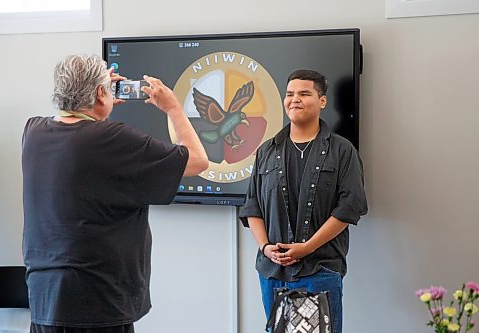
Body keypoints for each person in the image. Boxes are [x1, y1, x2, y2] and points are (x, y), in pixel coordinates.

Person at [22, 54, 208, 333]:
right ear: (100, 92)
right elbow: (197, 160)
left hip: (45, 301)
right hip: (97, 303)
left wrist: (97, 99)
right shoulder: (112, 139)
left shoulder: (33, 131)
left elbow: (72, 123)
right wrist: (174, 109)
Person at [239, 69, 368, 333]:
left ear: (322, 101)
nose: (294, 99)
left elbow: (349, 207)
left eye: (304, 93)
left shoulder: (343, 151)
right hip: (272, 273)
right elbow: (252, 205)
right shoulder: (267, 150)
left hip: (320, 270)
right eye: (290, 94)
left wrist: (306, 247)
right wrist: (264, 247)